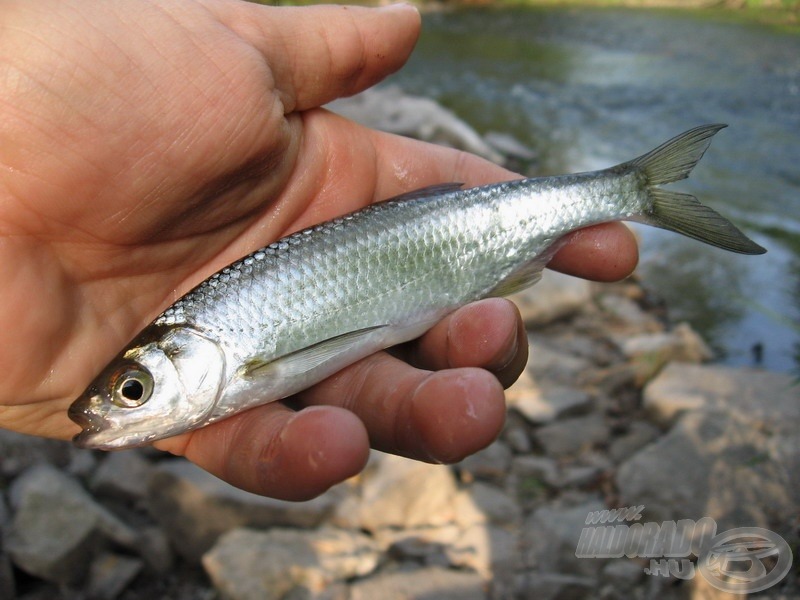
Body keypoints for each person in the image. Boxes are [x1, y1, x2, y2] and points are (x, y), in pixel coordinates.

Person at [0, 0, 637, 500]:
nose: (124, 406)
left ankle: (629, 189)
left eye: (132, 390)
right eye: (134, 391)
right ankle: (628, 189)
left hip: (439, 236)